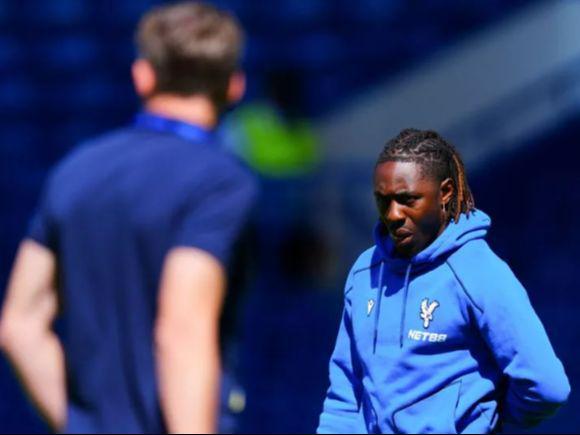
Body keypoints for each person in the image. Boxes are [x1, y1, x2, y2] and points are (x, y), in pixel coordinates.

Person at [0, 2, 256, 433]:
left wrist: (82, 426)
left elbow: (19, 325)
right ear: (234, 86)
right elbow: (182, 330)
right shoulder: (220, 183)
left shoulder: (75, 169)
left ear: (143, 76)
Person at [317, 129, 570, 434]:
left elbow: (546, 387)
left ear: (445, 192)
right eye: (383, 201)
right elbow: (345, 395)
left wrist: (485, 420)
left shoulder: (479, 272)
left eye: (407, 199)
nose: (393, 214)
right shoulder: (364, 271)